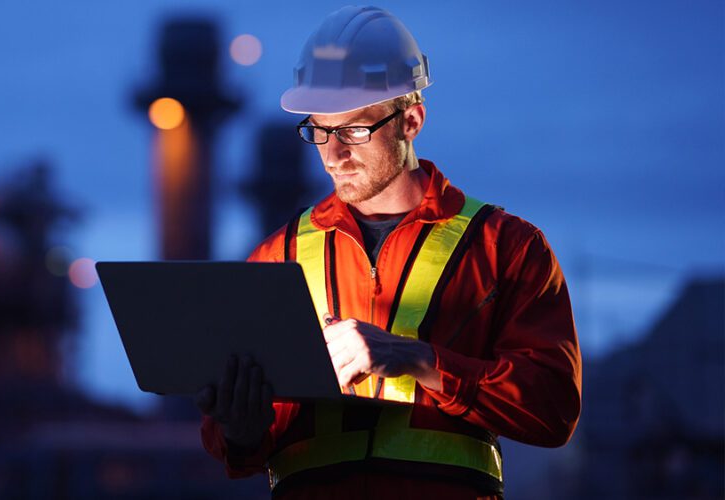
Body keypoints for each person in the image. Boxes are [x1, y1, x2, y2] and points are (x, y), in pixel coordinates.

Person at [196, 6, 581, 499]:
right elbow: (235, 445)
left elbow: (553, 409)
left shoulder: (505, 247)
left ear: (411, 121)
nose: (334, 155)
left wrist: (416, 359)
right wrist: (238, 427)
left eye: (353, 131)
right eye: (319, 130)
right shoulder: (278, 256)